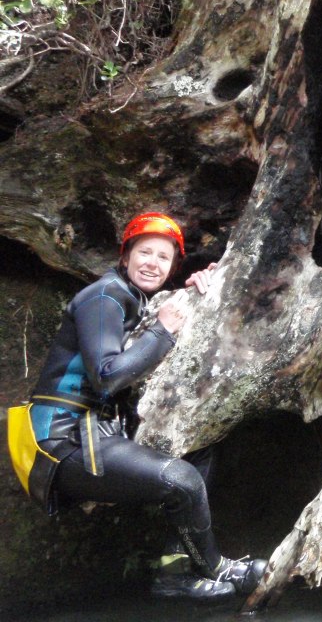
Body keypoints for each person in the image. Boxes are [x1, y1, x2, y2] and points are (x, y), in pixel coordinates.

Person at [22, 212, 266, 600]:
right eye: (144, 252)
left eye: (163, 257)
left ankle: (176, 569)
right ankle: (218, 568)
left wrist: (203, 287)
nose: (153, 263)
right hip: (62, 442)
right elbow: (107, 376)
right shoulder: (104, 296)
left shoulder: (135, 299)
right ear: (125, 257)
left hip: (98, 433)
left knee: (199, 448)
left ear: (172, 268)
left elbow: (153, 328)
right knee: (182, 478)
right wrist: (163, 330)